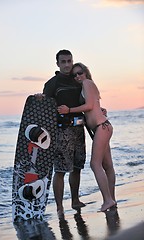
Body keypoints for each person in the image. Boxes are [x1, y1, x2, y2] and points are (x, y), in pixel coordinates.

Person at [58, 62, 116, 212]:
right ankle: (111, 199)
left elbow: (89, 105)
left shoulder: (87, 83)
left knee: (95, 164)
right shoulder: (85, 85)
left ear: (86, 73)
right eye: (74, 74)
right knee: (107, 166)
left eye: (80, 73)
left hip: (101, 128)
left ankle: (108, 200)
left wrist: (68, 110)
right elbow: (94, 106)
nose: (77, 76)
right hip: (102, 128)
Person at [43, 50, 86, 218]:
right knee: (60, 170)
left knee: (77, 168)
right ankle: (60, 207)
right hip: (61, 131)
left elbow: (87, 101)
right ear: (57, 64)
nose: (67, 65)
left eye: (69, 61)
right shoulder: (52, 83)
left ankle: (75, 200)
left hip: (79, 130)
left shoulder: (78, 80)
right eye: (63, 62)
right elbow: (45, 109)